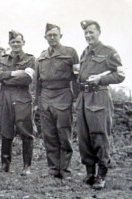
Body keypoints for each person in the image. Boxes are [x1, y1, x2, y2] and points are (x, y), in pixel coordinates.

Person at [76, 20, 125, 189]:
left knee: (99, 136)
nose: (88, 35)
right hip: (83, 98)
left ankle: (101, 174)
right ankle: (90, 173)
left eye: (91, 32)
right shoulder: (85, 52)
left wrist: (101, 79)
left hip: (99, 98)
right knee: (84, 137)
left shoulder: (108, 52)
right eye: (86, 33)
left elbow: (120, 75)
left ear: (99, 32)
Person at [35, 23, 79, 179]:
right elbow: (37, 82)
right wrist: (37, 102)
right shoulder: (41, 56)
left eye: (55, 34)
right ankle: (53, 169)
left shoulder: (70, 53)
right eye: (49, 35)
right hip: (46, 97)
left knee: (64, 134)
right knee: (49, 135)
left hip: (63, 95)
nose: (52, 37)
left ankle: (65, 170)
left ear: (61, 36)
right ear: (45, 37)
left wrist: (75, 100)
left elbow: (76, 78)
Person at [0, 30, 35, 175]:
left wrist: (5, 78)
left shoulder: (30, 59)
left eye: (18, 42)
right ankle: (5, 165)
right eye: (13, 42)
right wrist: (12, 74)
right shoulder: (3, 59)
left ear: (23, 43)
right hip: (4, 96)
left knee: (25, 131)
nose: (16, 44)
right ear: (9, 44)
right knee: (5, 130)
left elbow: (27, 79)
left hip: (22, 95)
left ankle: (27, 166)